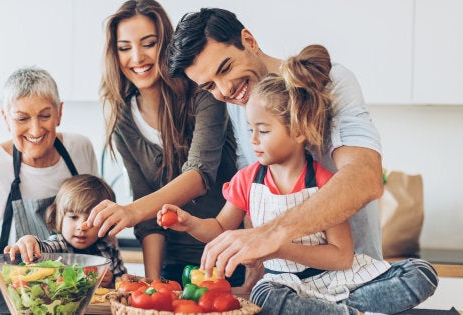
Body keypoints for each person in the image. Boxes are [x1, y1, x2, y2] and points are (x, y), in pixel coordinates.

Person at [159, 44, 437, 314]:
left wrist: (278, 244)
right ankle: (350, 312)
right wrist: (189, 223)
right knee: (265, 296)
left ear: (299, 131)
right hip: (287, 285)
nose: (253, 140)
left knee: (421, 273)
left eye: (264, 131)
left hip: (338, 279)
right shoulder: (247, 180)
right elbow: (220, 228)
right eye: (250, 130)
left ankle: (335, 309)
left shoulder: (327, 185)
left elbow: (341, 257)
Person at [163, 7, 390, 280]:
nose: (225, 91)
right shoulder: (241, 103)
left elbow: (365, 177)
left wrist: (271, 236)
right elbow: (253, 201)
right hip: (283, 282)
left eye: (225, 68)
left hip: (355, 277)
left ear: (249, 40)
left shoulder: (332, 82)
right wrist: (253, 280)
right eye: (209, 86)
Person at [92, 0, 245, 286]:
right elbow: (148, 217)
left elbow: (199, 175)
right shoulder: (123, 119)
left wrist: (130, 211)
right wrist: (153, 284)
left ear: (166, 44)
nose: (136, 57)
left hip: (229, 259)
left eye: (148, 43)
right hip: (174, 268)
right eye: (124, 48)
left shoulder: (204, 93)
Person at [0, 67, 98, 303]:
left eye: (45, 116)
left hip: (70, 298)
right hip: (5, 299)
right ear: (6, 118)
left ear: (60, 112)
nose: (36, 130)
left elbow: (100, 225)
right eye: (22, 118)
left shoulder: (80, 150)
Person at [5, 174, 127, 288]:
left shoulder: (109, 249)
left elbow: (124, 283)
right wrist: (30, 241)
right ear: (59, 218)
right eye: (73, 217)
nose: (81, 227)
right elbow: (42, 248)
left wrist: (112, 281)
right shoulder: (58, 245)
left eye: (91, 220)